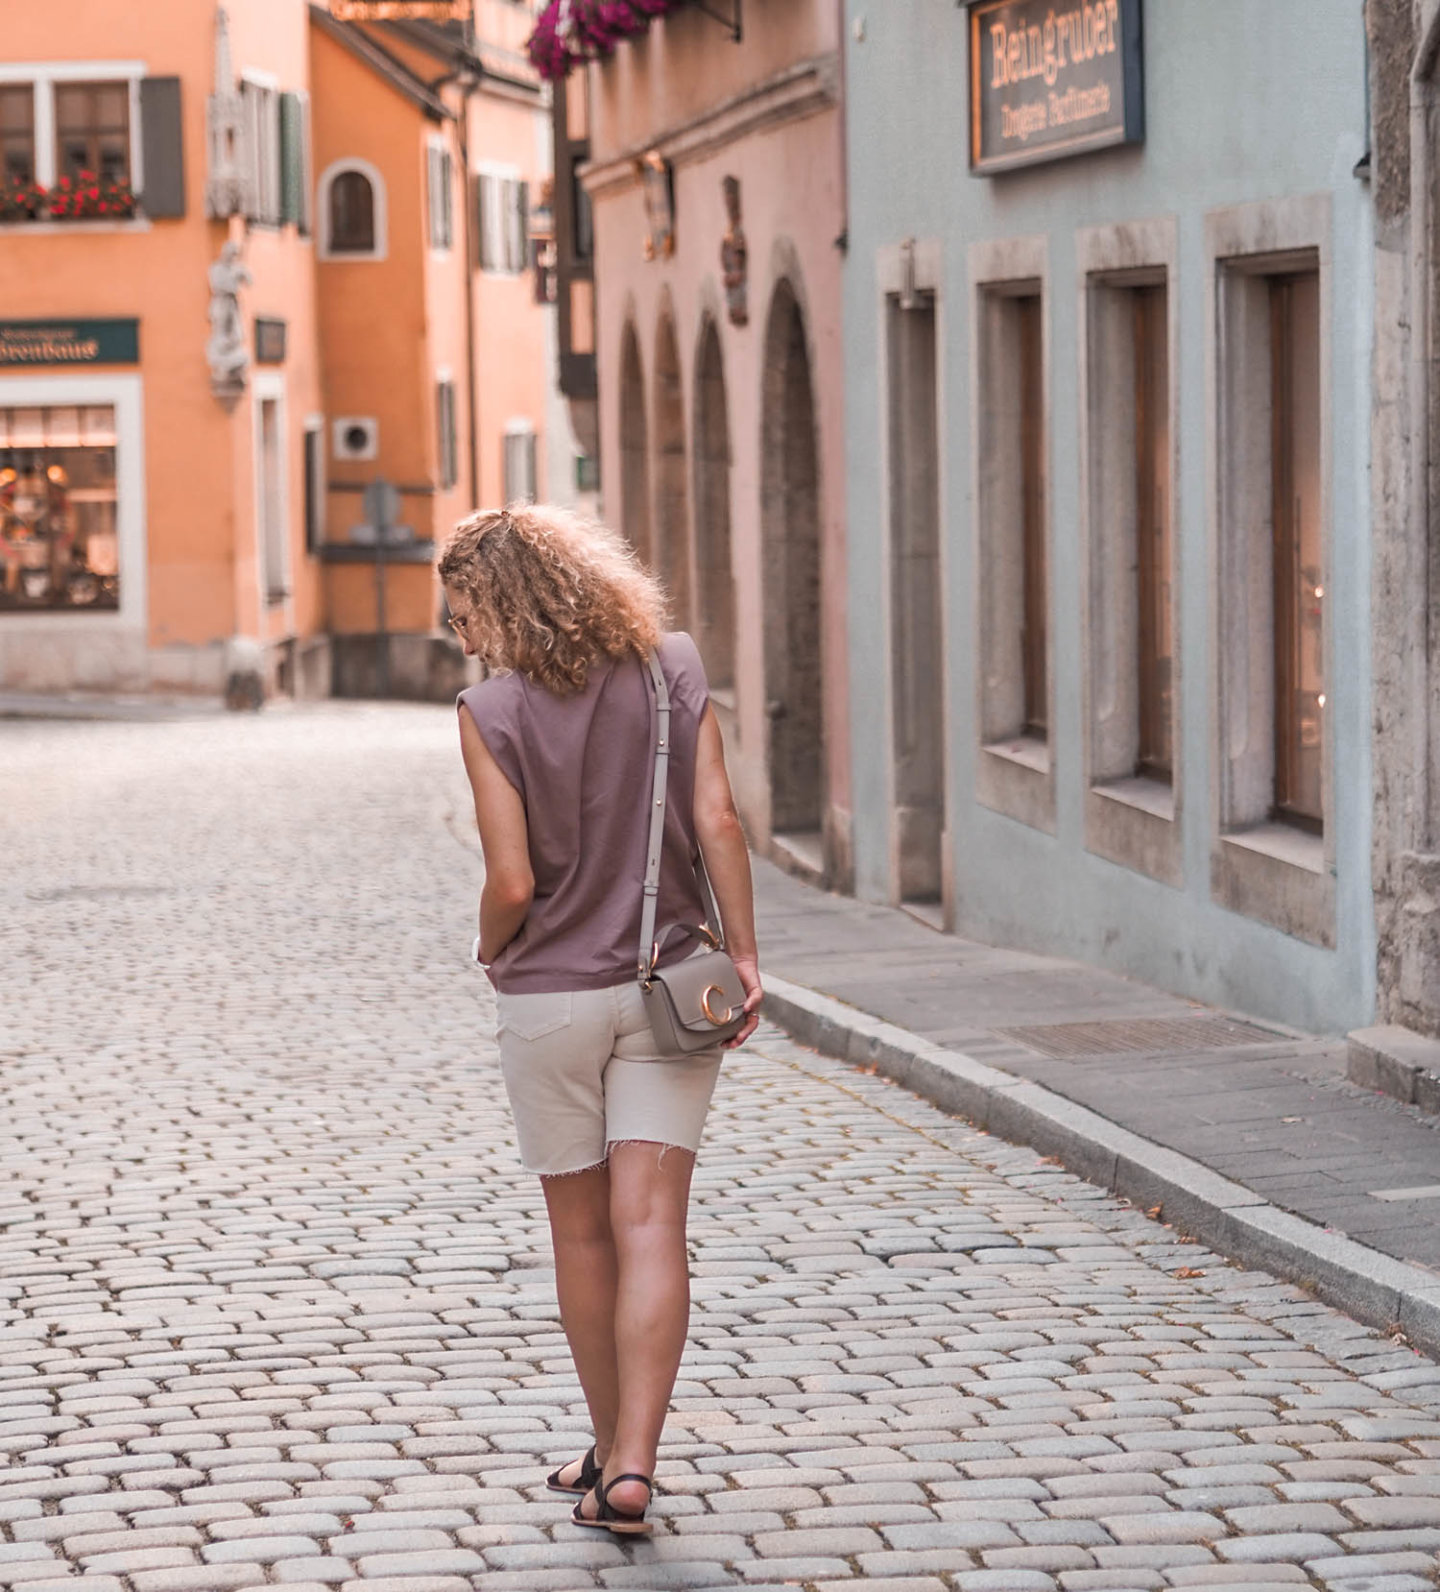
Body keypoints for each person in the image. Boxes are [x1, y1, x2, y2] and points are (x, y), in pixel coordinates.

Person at [439, 504, 763, 1538]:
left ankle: (611, 1452)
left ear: (496, 608)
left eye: (462, 615)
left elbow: (509, 878)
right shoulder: (671, 667)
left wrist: (491, 946)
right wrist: (745, 954)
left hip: (550, 1002)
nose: (462, 637)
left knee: (582, 1234)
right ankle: (630, 1459)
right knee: (653, 1222)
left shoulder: (488, 710)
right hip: (669, 983)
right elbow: (718, 819)